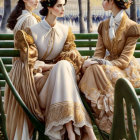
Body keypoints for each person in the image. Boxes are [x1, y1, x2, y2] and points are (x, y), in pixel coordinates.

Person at [4, 0, 97, 140]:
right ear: (50, 7)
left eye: (63, 5)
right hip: (38, 83)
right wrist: (54, 66)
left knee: (63, 67)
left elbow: (71, 54)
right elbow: (32, 63)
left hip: (57, 79)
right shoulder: (31, 25)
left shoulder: (64, 30)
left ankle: (71, 132)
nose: (63, 9)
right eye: (59, 5)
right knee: (62, 67)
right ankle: (86, 131)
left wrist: (82, 62)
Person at [79, 0, 140, 134]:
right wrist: (93, 62)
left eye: (104, 0)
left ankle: (104, 123)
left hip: (124, 71)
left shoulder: (132, 27)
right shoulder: (103, 25)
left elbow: (124, 60)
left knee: (93, 69)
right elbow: (99, 54)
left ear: (112, 1)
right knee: (91, 68)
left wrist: (99, 63)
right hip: (105, 69)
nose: (102, 2)